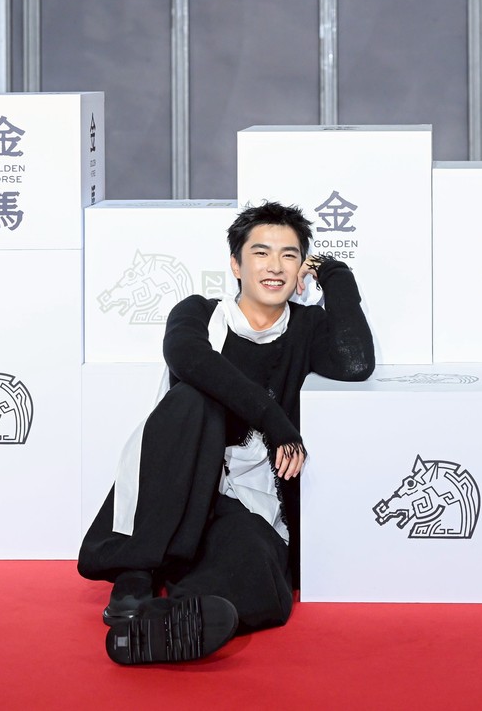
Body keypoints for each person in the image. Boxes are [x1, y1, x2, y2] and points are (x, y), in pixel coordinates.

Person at [78, 201, 374, 665]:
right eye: (261, 253)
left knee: (257, 565)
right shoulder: (199, 314)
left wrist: (333, 271)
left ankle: (166, 620)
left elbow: (356, 363)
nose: (275, 266)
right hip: (180, 483)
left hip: (248, 495)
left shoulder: (307, 327)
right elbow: (189, 359)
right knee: (193, 399)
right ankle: (136, 570)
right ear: (236, 265)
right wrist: (275, 421)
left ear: (301, 268)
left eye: (290, 255)